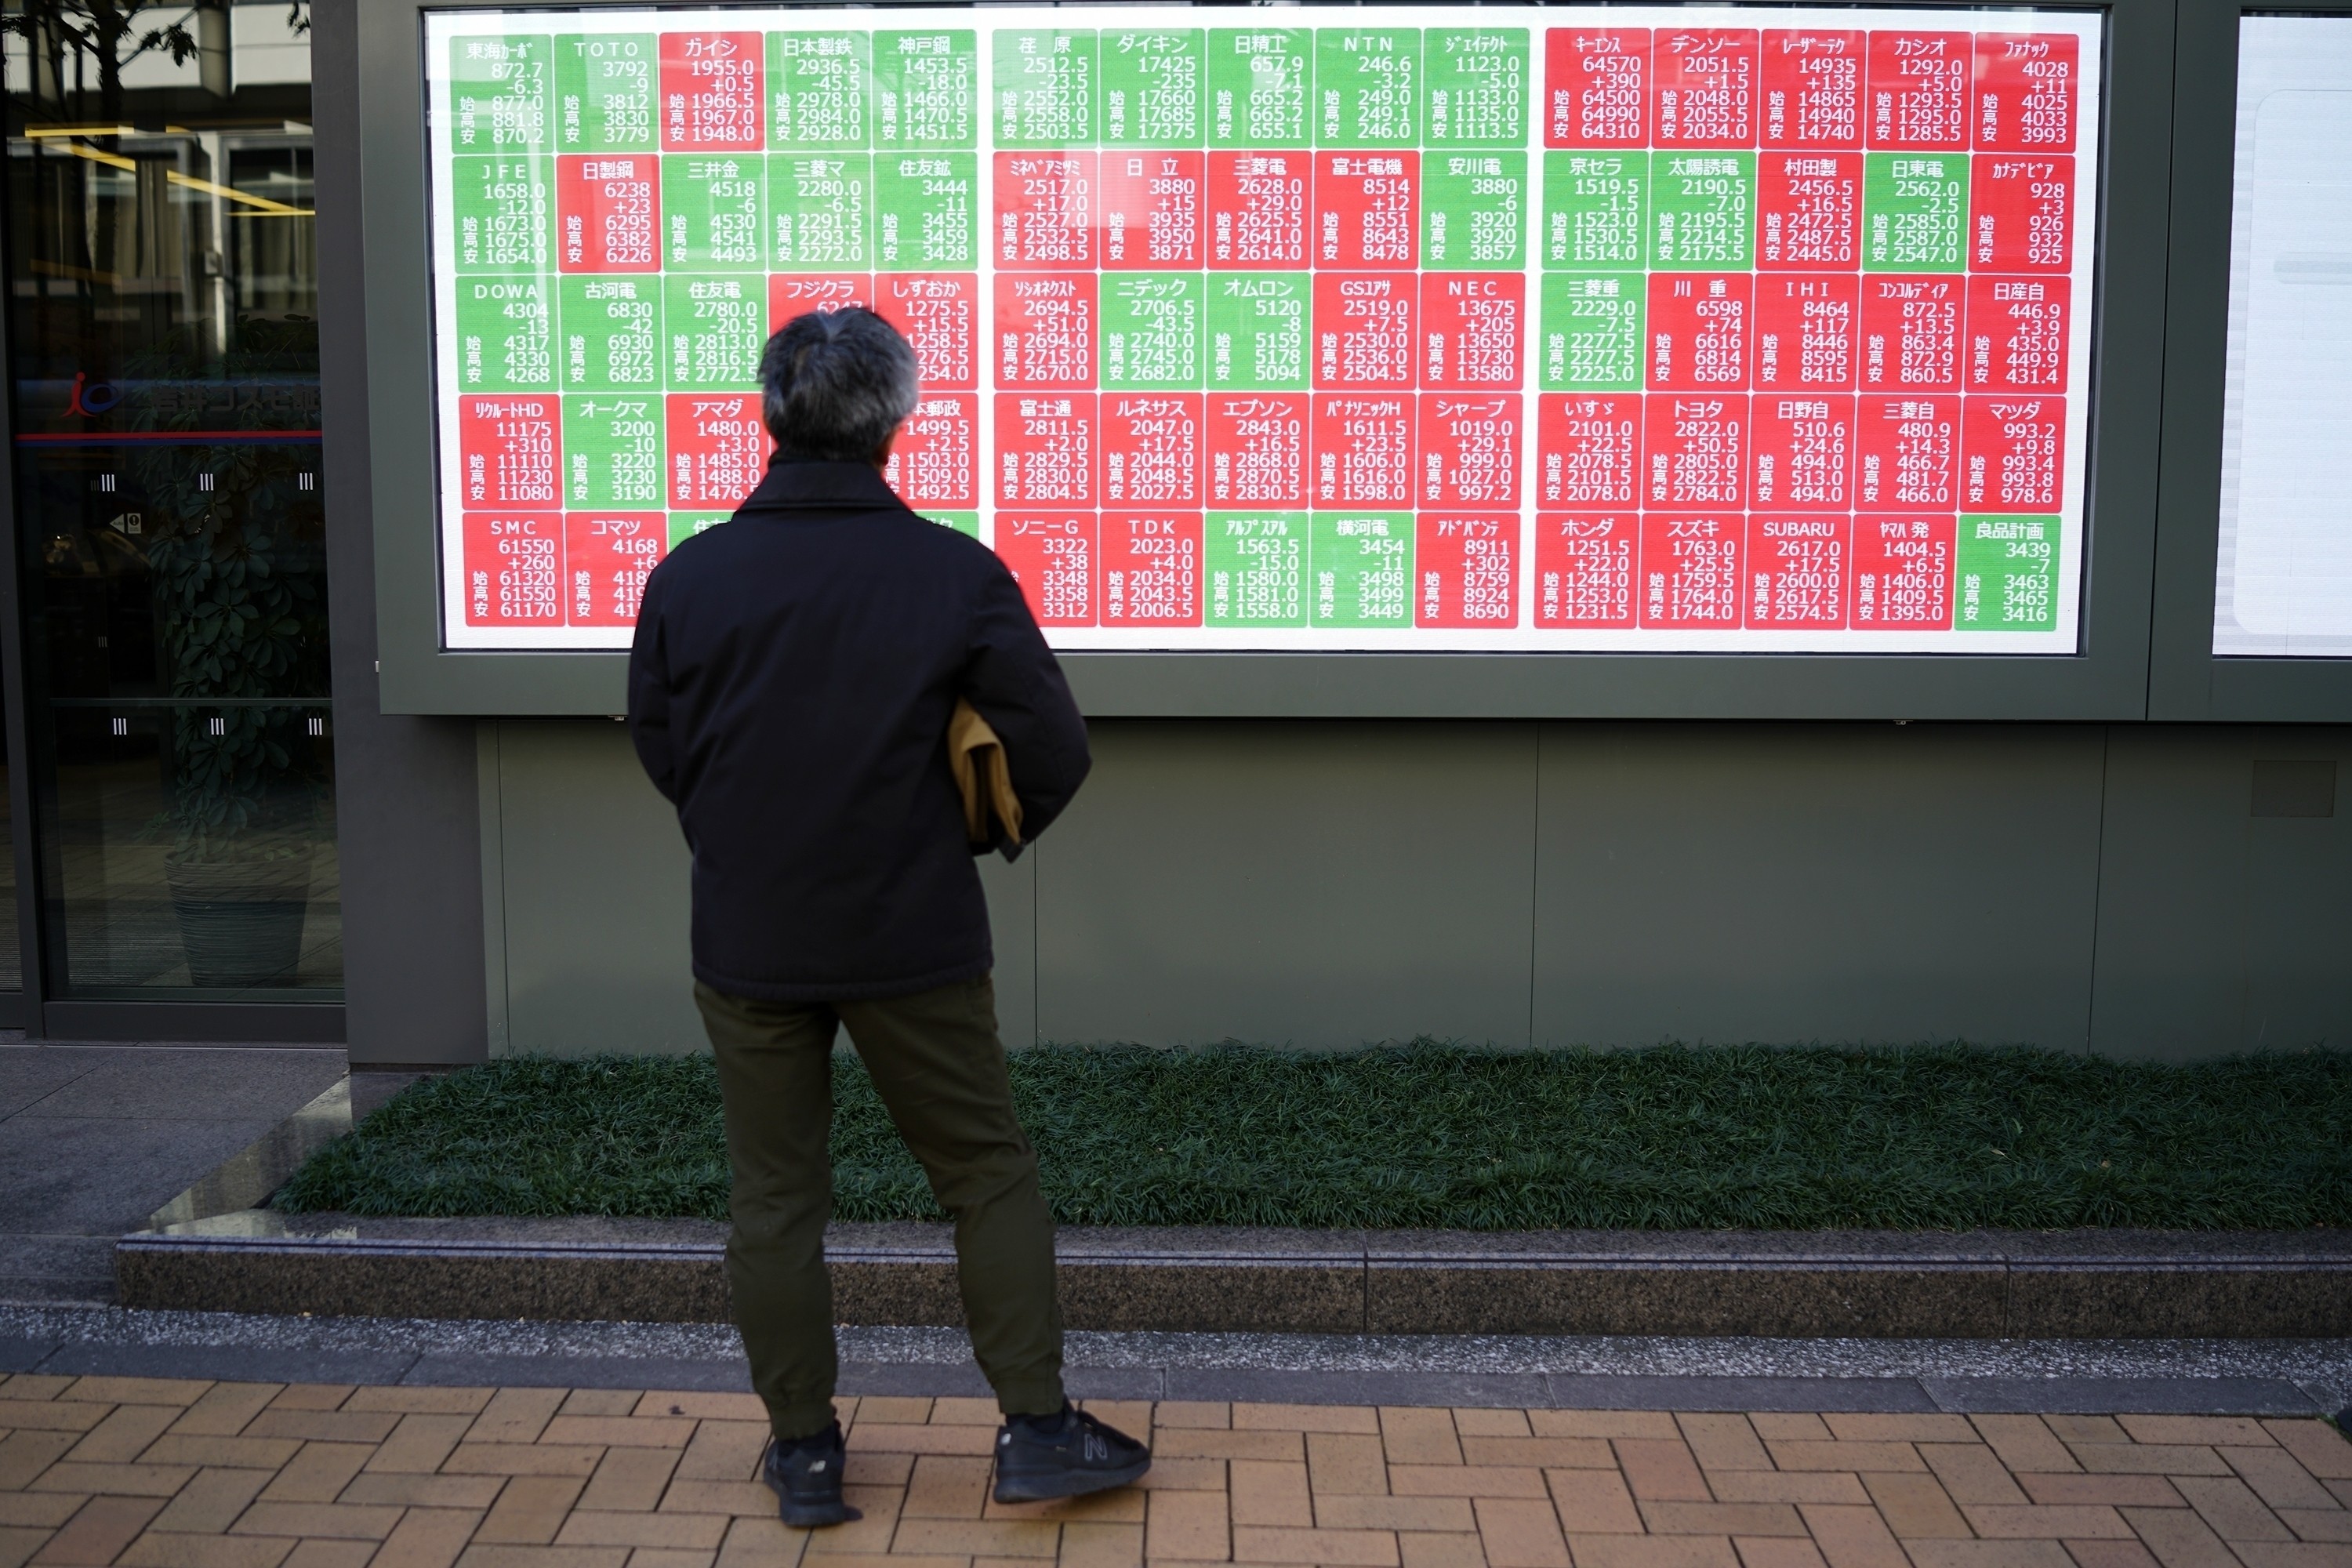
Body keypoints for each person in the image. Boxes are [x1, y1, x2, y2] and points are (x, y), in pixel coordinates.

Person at [626, 307, 1149, 1526]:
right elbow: (1055, 753)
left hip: (748, 934)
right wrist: (951, 828)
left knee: (774, 1198)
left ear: (767, 415)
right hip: (913, 932)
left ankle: (804, 1456)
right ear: (896, 427)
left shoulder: (689, 576)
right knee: (983, 1173)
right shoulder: (952, 574)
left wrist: (748, 843)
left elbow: (665, 746)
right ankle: (1033, 1430)